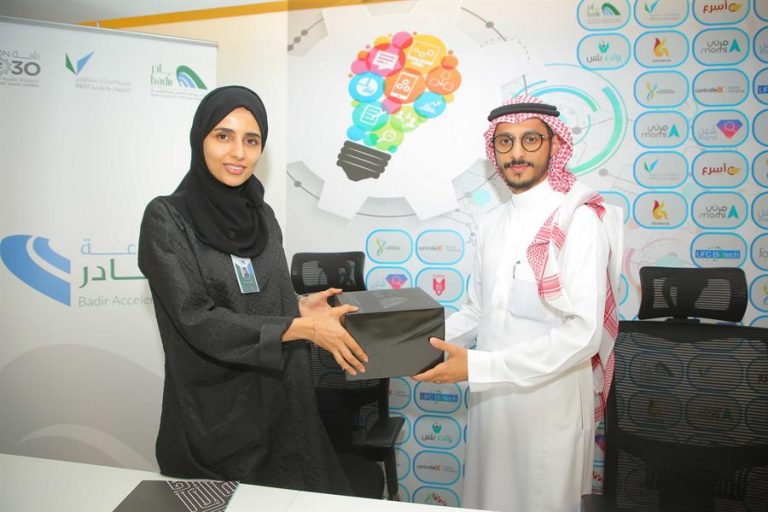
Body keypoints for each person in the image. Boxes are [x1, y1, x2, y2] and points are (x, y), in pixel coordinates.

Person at [138, 85, 368, 494]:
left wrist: (298, 308)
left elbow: (260, 301)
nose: (238, 153)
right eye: (223, 136)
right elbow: (197, 319)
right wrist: (297, 329)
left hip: (282, 406)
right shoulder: (167, 219)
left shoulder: (262, 216)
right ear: (200, 139)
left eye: (251, 140)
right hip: (214, 418)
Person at [413, 94, 622, 512]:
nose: (517, 153)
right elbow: (479, 310)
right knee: (489, 498)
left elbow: (583, 335)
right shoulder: (491, 222)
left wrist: (478, 367)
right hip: (492, 401)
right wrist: (412, 342)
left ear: (555, 145)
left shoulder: (578, 220)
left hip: (550, 403)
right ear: (494, 151)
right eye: (505, 142)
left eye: (531, 139)